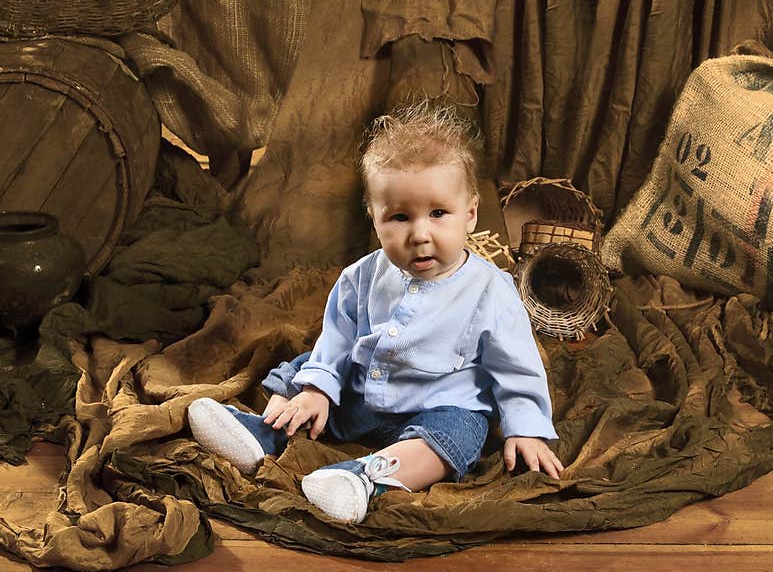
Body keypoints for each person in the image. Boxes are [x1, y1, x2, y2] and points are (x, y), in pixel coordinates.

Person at [187, 99, 563, 524]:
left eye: (439, 214)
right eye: (400, 217)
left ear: (470, 214)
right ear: (375, 218)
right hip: (363, 391)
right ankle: (264, 434)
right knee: (306, 366)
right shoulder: (361, 275)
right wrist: (318, 387)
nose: (420, 234)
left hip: (439, 404)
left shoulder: (491, 290)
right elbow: (337, 339)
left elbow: (517, 366)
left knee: (461, 434)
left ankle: (365, 478)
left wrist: (527, 426)